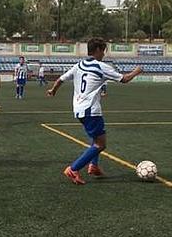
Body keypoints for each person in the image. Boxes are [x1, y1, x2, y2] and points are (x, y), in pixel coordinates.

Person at [47, 38, 142, 185]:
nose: (104, 54)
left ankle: (94, 166)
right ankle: (73, 169)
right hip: (91, 110)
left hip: (79, 109)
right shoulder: (100, 66)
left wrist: (53, 91)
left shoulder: (79, 65)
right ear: (97, 50)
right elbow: (124, 79)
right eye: (103, 50)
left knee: (96, 138)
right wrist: (137, 71)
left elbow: (60, 79)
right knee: (100, 144)